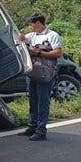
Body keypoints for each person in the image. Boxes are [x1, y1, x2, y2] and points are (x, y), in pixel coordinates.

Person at [19, 13, 63, 141]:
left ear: (38, 23)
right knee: (33, 101)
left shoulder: (52, 35)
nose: (30, 27)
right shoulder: (32, 36)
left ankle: (41, 130)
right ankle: (32, 127)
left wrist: (38, 52)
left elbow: (58, 52)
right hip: (33, 72)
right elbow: (22, 39)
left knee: (43, 102)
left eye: (31, 24)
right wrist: (21, 38)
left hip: (45, 72)